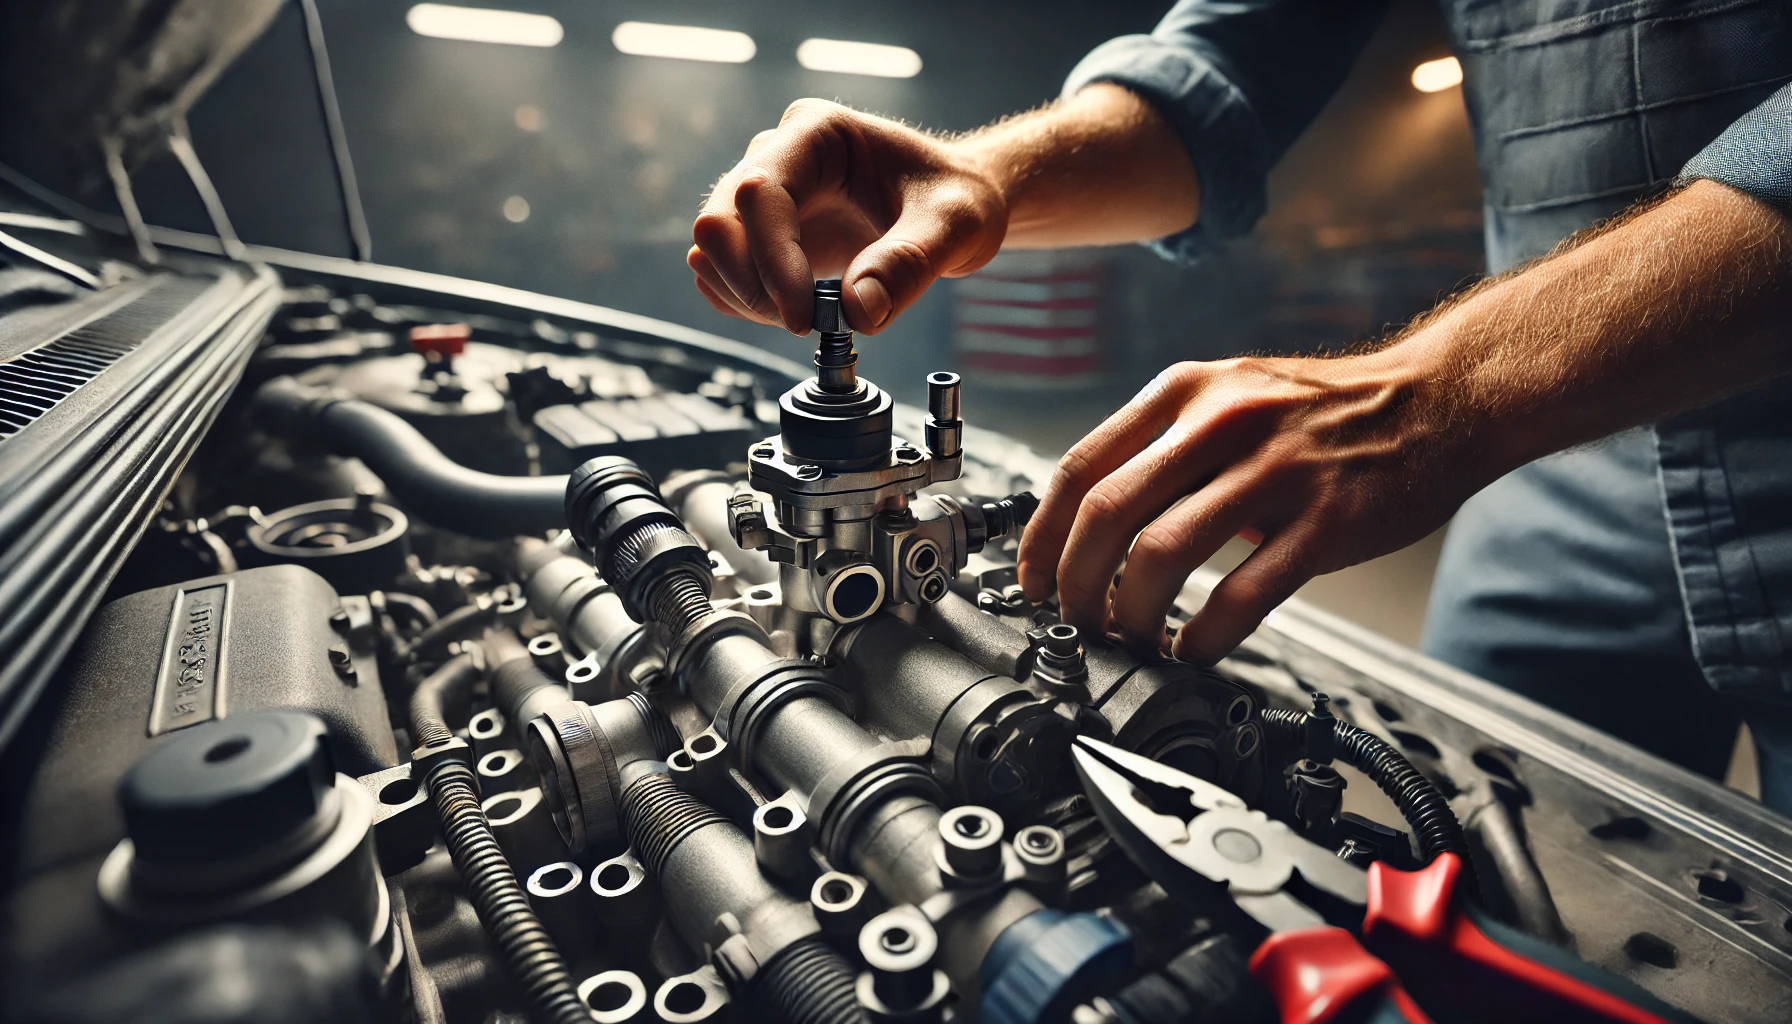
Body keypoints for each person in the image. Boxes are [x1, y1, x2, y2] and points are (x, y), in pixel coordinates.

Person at [686, 1, 1792, 809]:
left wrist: (1448, 386)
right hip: (1550, 467)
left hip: (1538, 413)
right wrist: (981, 176)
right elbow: (1222, 79)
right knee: (1475, 852)